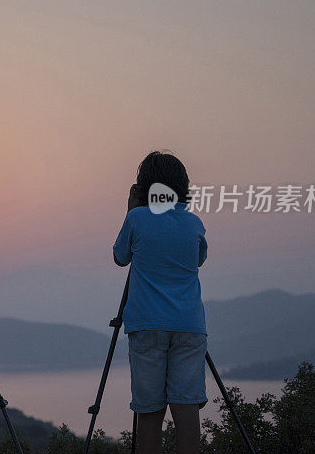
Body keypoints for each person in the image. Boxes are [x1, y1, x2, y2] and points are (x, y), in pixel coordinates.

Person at [112, 151, 208, 454]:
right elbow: (199, 259)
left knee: (150, 409)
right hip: (189, 326)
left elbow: (120, 257)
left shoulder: (137, 217)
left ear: (144, 187)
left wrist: (130, 209)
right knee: (187, 405)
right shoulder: (194, 223)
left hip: (147, 325)